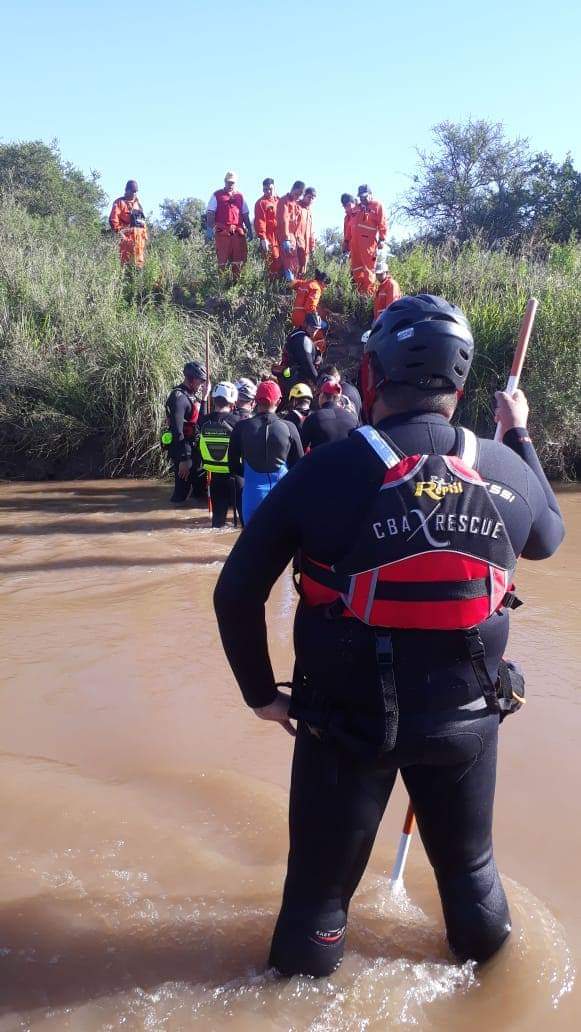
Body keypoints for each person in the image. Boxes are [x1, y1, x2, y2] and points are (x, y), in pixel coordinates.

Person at [214, 293, 564, 979]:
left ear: (370, 377)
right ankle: (493, 992)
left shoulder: (327, 469)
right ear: (458, 386)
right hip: (466, 720)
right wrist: (517, 433)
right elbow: (549, 534)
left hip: (345, 724)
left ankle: (290, 1007)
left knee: (317, 897)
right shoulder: (503, 468)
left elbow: (235, 592)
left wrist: (262, 697)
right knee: (469, 871)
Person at [228, 380, 303, 524]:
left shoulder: (241, 428)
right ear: (279, 400)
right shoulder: (290, 428)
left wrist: (252, 476)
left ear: (256, 400)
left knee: (251, 544)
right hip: (282, 497)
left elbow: (232, 466)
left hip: (252, 496)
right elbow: (299, 466)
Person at [163, 361, 209, 504]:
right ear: (191, 379)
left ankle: (191, 518)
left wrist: (205, 398)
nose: (201, 385)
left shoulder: (192, 395)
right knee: (181, 491)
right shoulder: (178, 398)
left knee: (199, 487)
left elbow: (201, 422)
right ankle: (173, 516)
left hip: (193, 448)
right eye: (200, 381)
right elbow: (177, 430)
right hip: (183, 450)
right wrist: (183, 459)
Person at [199, 382, 241, 528]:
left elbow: (201, 416)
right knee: (243, 521)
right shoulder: (238, 422)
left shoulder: (204, 421)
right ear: (233, 401)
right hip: (235, 476)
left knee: (217, 523)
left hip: (215, 475)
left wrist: (204, 398)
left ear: (214, 399)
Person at [206, 172, 253, 281]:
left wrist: (250, 230)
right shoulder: (217, 195)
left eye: (232, 182)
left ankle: (236, 283)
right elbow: (210, 213)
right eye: (228, 182)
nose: (230, 185)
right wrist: (209, 230)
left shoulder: (240, 196)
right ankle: (222, 285)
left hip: (237, 232)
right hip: (223, 232)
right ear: (225, 181)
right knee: (222, 260)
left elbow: (245, 214)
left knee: (239, 259)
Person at [348, 184, 388, 295]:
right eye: (360, 196)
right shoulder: (356, 208)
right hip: (354, 245)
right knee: (356, 271)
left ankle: (369, 296)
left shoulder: (377, 206)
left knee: (368, 271)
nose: (362, 198)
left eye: (364, 196)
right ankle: (360, 295)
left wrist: (382, 239)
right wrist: (346, 241)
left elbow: (382, 223)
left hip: (368, 245)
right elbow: (350, 225)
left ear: (370, 194)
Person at [301, 379, 358, 450]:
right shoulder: (352, 418)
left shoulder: (313, 418)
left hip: (321, 460)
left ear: (322, 396)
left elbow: (300, 450)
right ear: (338, 398)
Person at [109, 180, 148, 268]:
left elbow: (142, 223)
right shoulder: (119, 202)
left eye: (136, 192)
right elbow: (113, 220)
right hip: (126, 242)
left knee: (138, 268)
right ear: (127, 190)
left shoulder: (138, 204)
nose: (134, 194)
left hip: (139, 243)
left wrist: (145, 237)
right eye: (133, 191)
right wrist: (121, 235)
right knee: (126, 267)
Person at [281, 314, 323, 388]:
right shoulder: (302, 340)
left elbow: (315, 354)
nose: (314, 331)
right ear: (305, 324)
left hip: (289, 374)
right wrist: (318, 383)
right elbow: (307, 365)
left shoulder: (298, 334)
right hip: (292, 378)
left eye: (316, 329)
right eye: (311, 327)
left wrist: (318, 357)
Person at [277, 182, 305, 281]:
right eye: (296, 194)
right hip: (286, 238)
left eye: (299, 195)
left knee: (294, 264)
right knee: (288, 264)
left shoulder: (296, 204)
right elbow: (283, 220)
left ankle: (291, 287)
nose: (297, 196)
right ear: (292, 189)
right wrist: (286, 239)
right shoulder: (284, 201)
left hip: (293, 239)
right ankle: (288, 287)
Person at [254, 179, 281, 278]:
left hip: (281, 237)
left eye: (270, 189)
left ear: (274, 187)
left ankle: (283, 287)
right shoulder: (261, 203)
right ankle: (271, 288)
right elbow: (260, 221)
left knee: (283, 261)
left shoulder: (280, 201)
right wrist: (263, 238)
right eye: (265, 189)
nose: (268, 191)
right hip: (269, 237)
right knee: (272, 261)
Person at [296, 187, 317, 275]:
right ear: (304, 196)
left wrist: (312, 245)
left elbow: (311, 231)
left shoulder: (309, 212)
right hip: (296, 246)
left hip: (305, 249)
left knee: (302, 273)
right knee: (293, 271)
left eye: (313, 198)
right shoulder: (296, 206)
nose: (310, 200)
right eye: (309, 197)